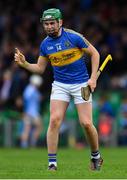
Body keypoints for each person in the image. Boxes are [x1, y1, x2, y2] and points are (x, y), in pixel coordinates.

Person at [14, 8, 103, 170]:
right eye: (46, 24)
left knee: (86, 123)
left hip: (81, 84)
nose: (48, 27)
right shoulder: (45, 44)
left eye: (52, 23)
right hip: (60, 85)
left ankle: (96, 156)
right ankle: (52, 163)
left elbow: (95, 54)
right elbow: (40, 68)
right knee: (54, 120)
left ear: (60, 22)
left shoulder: (74, 37)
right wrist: (25, 64)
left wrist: (93, 78)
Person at [20, 74, 43, 148]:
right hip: (32, 112)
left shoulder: (31, 89)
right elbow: (26, 99)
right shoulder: (31, 89)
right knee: (37, 127)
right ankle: (31, 143)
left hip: (29, 112)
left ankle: (26, 144)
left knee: (27, 128)